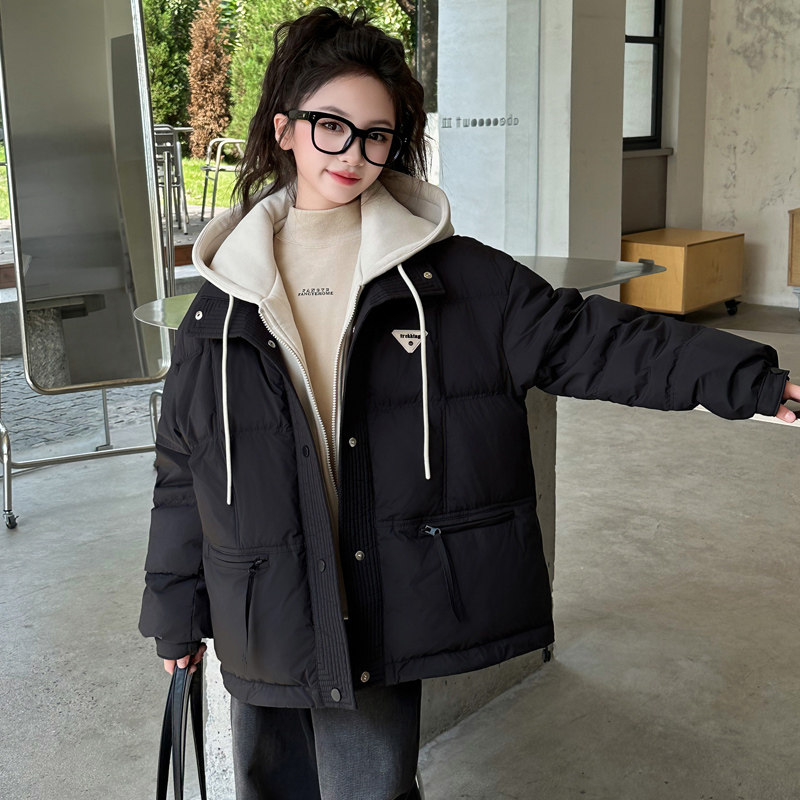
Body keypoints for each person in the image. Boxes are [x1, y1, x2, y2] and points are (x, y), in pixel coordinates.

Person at [138, 6, 799, 799]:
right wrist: (175, 611)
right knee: (268, 784)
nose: (353, 154)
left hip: (373, 603)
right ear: (284, 128)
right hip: (262, 607)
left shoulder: (452, 279)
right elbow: (185, 468)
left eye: (376, 135)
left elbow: (590, 339)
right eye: (331, 127)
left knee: (372, 788)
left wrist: (747, 379)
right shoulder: (224, 295)